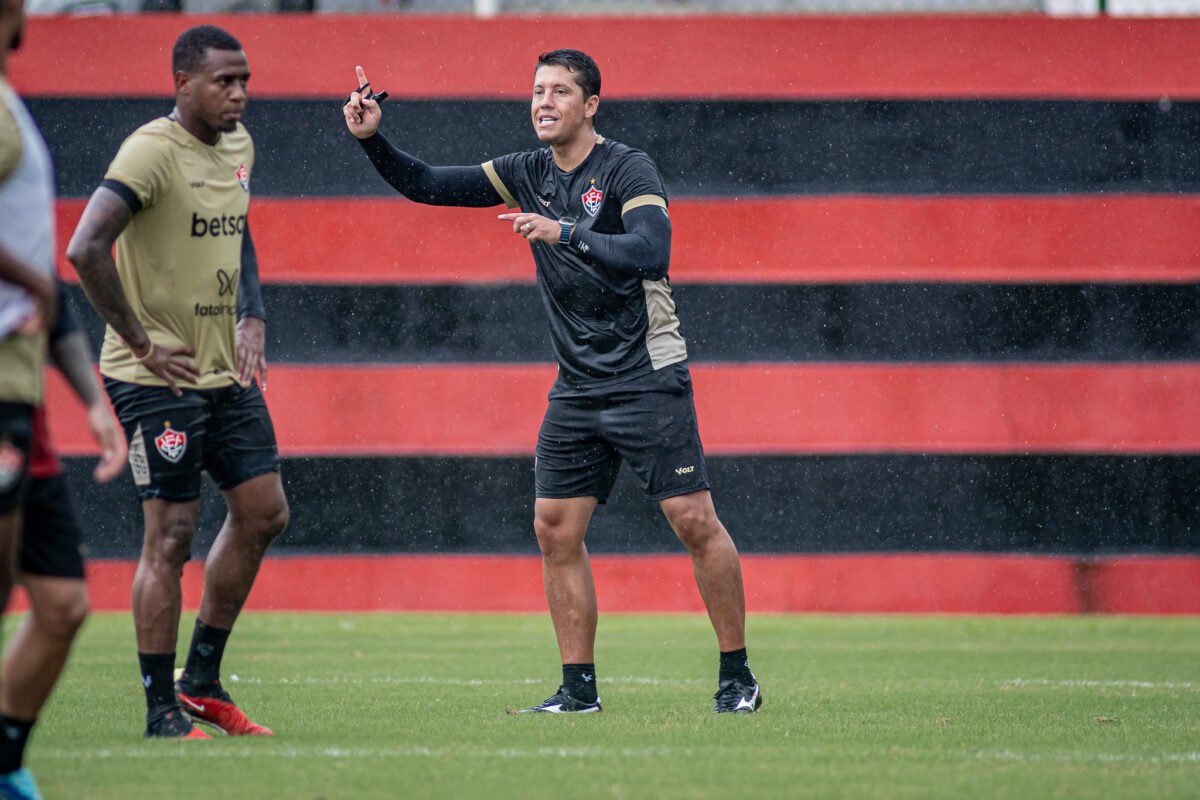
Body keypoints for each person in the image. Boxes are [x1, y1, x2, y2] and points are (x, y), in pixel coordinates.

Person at [343, 50, 762, 714]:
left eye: (560, 92)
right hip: (577, 386)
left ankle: (738, 675)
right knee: (554, 530)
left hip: (646, 374)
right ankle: (578, 692)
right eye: (537, 91)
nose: (543, 102)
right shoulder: (526, 171)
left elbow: (652, 252)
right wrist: (373, 141)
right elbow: (426, 183)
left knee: (693, 520)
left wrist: (565, 231)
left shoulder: (627, 168)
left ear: (590, 106)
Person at [66, 24, 288, 739]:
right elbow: (85, 247)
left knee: (263, 512)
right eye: (225, 81)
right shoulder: (150, 151)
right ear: (184, 83)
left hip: (223, 366)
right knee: (171, 536)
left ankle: (201, 680)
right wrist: (141, 341)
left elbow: (237, 225)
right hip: (152, 377)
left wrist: (252, 311)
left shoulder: (239, 147)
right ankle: (161, 709)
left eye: (245, 80)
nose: (239, 94)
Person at [0, 286, 127, 800]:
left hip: (28, 422)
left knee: (63, 606)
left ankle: (5, 763)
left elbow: (55, 305)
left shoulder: (26, 224)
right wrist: (30, 276)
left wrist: (95, 405)